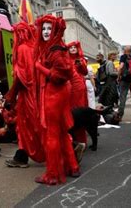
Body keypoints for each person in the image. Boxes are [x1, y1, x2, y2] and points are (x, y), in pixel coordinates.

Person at [34, 14, 80, 185]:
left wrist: (39, 67)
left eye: (49, 28)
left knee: (52, 134)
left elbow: (60, 75)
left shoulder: (56, 49)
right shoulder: (54, 47)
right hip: (55, 93)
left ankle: (53, 173)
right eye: (43, 28)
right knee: (60, 132)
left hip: (54, 94)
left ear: (55, 30)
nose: (45, 32)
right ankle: (73, 166)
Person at [5, 21, 45, 168]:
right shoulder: (35, 47)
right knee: (36, 125)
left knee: (28, 126)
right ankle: (21, 155)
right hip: (38, 92)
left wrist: (10, 95)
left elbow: (21, 77)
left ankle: (68, 147)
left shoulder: (22, 48)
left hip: (27, 95)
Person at [66, 41, 89, 160]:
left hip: (79, 89)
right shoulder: (66, 59)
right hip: (69, 89)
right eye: (71, 47)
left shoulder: (81, 59)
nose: (73, 49)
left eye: (75, 47)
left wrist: (80, 64)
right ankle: (74, 140)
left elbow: (85, 72)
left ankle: (81, 140)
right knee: (71, 113)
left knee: (79, 113)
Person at [118, 46, 131, 119]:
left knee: (123, 97)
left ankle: (120, 115)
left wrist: (118, 76)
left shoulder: (123, 57)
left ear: (125, 50)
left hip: (124, 79)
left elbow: (121, 67)